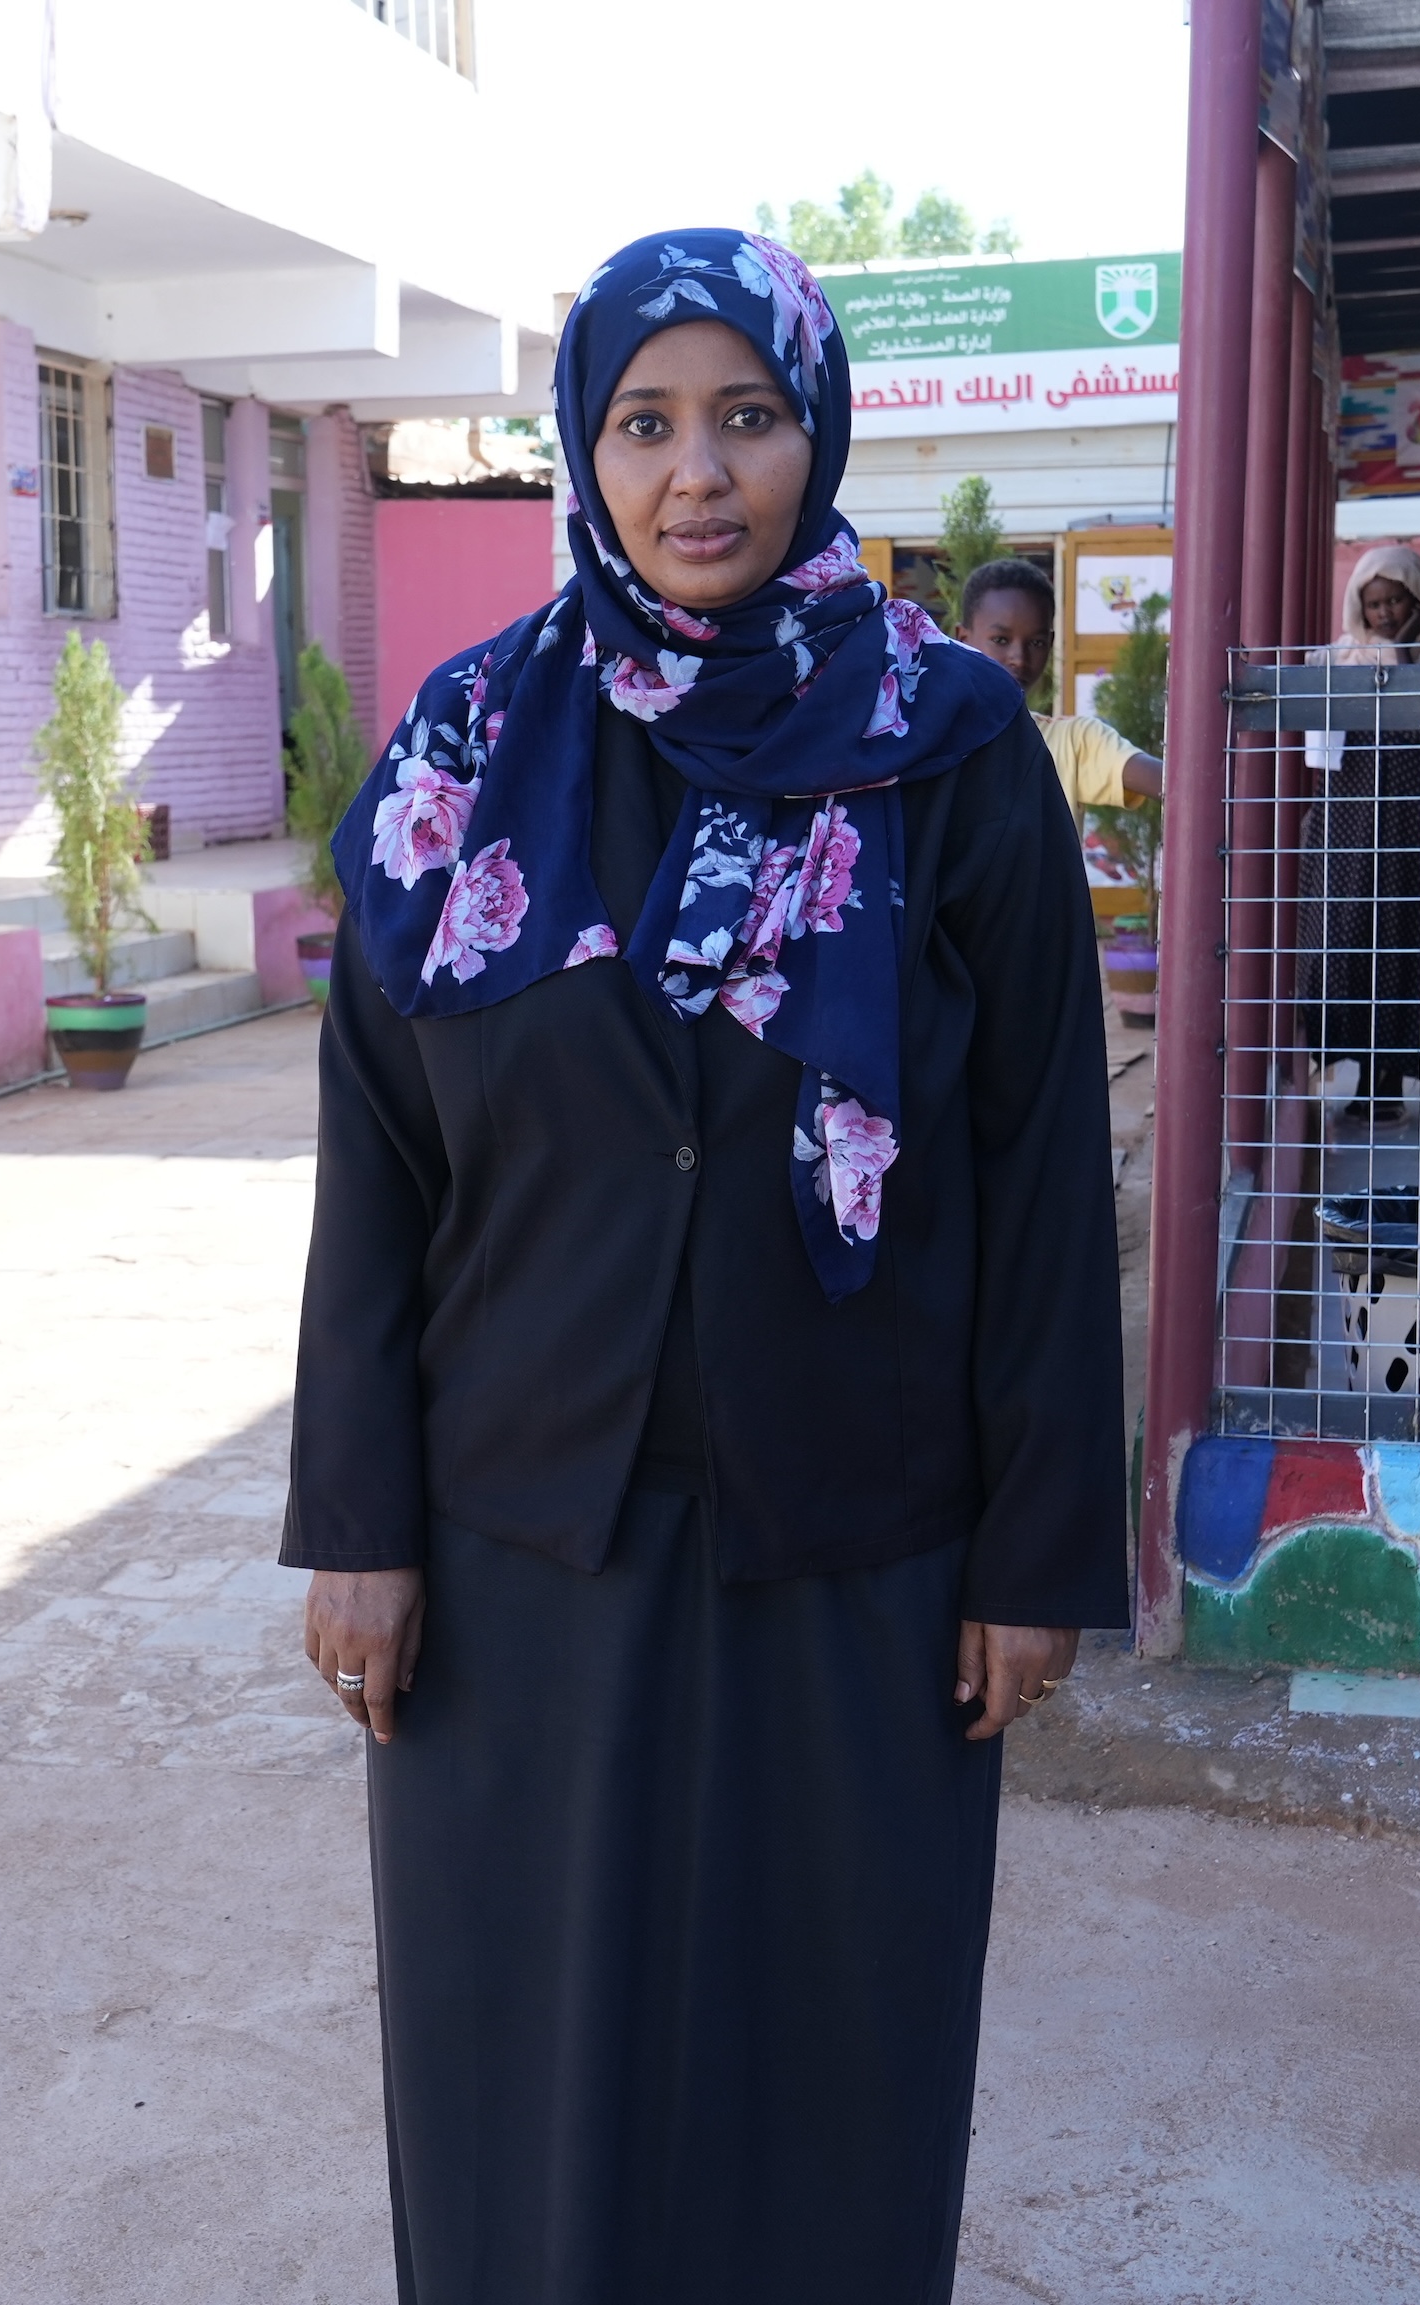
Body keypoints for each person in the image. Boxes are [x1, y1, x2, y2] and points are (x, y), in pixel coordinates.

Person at [284, 228, 1125, 2305]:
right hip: (515, 1541)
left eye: (742, 415)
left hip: (853, 1537)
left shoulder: (948, 750)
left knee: (824, 2051)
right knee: (525, 2067)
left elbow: (1034, 1170)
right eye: (643, 423)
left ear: (814, 429)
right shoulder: (466, 749)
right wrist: (356, 1524)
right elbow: (379, 1167)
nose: (695, 473)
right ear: (581, 446)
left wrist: (1034, 1551)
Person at [1312, 544, 1420, 1115]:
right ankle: (1354, 1066)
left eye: (1394, 600)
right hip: (1354, 812)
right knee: (1348, 934)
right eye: (1374, 603)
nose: (1383, 613)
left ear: (1417, 599)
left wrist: (1402, 654)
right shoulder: (1340, 655)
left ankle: (1389, 1081)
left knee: (1409, 934)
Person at [953, 554, 1161, 811]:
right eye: (1001, 640)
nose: (1019, 658)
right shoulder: (929, 742)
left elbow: (1174, 785)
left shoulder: (1073, 742)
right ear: (962, 639)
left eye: (1036, 643)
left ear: (1050, 645)